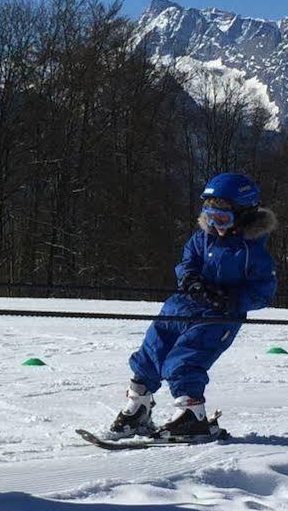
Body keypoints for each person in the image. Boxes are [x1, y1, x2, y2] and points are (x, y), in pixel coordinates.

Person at [106, 172, 277, 439]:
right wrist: (190, 280)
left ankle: (192, 414)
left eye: (223, 218)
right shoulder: (202, 237)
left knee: (184, 359)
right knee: (152, 351)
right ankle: (138, 406)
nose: (216, 224)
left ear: (243, 215)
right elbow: (187, 262)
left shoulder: (252, 252)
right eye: (210, 217)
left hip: (218, 317)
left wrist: (230, 299)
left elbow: (263, 292)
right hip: (180, 307)